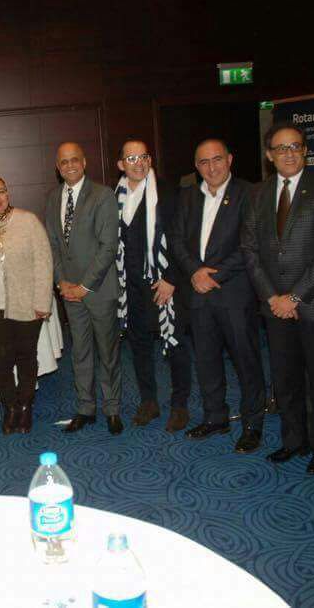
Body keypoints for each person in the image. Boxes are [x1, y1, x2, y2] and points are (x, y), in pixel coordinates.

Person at [240, 124, 314, 474]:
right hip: (273, 306)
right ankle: (293, 440)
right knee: (284, 378)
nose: (288, 153)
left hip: (313, 303)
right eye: (281, 148)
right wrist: (273, 297)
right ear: (269, 155)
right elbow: (249, 250)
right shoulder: (257, 194)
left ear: (305, 151)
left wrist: (295, 297)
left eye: (295, 146)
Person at [170, 139, 265, 452]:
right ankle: (215, 417)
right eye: (204, 162)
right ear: (196, 167)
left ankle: (252, 424)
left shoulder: (249, 194)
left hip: (234, 293)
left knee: (246, 362)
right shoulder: (187, 196)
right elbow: (176, 240)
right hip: (197, 294)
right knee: (207, 360)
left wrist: (213, 275)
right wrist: (194, 272)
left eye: (217, 159)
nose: (211, 168)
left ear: (230, 159)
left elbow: (250, 244)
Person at [114, 140, 193, 432]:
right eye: (131, 158)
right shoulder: (115, 197)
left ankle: (180, 405)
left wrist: (172, 278)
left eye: (143, 156)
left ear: (150, 159)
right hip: (131, 287)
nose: (139, 163)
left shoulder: (169, 192)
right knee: (139, 347)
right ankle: (149, 402)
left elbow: (182, 238)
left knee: (175, 344)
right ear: (121, 164)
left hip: (164, 283)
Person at [44, 142, 122, 435]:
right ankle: (85, 408)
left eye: (74, 160)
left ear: (85, 162)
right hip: (69, 292)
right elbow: (52, 244)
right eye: (64, 162)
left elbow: (108, 246)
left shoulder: (103, 195)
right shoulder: (53, 198)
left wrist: (84, 286)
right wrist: (61, 282)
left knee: (108, 353)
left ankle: (112, 409)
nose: (70, 166)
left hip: (98, 289)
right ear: (57, 167)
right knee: (80, 352)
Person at [0, 176, 53, 434]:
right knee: (0, 362)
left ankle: (25, 407)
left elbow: (44, 262)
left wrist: (42, 301)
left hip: (26, 304)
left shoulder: (28, 221)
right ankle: (11, 408)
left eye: (1, 191)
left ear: (8, 194)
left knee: (26, 358)